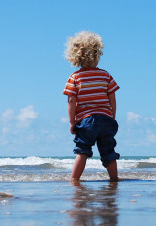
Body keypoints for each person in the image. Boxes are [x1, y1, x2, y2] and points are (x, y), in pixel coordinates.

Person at [62, 31, 120, 182]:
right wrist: (111, 116)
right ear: (97, 54)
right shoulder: (105, 75)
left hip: (86, 121)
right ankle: (114, 179)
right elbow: (112, 98)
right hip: (106, 120)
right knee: (108, 151)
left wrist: (72, 122)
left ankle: (74, 179)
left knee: (82, 151)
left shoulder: (75, 77)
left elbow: (71, 101)